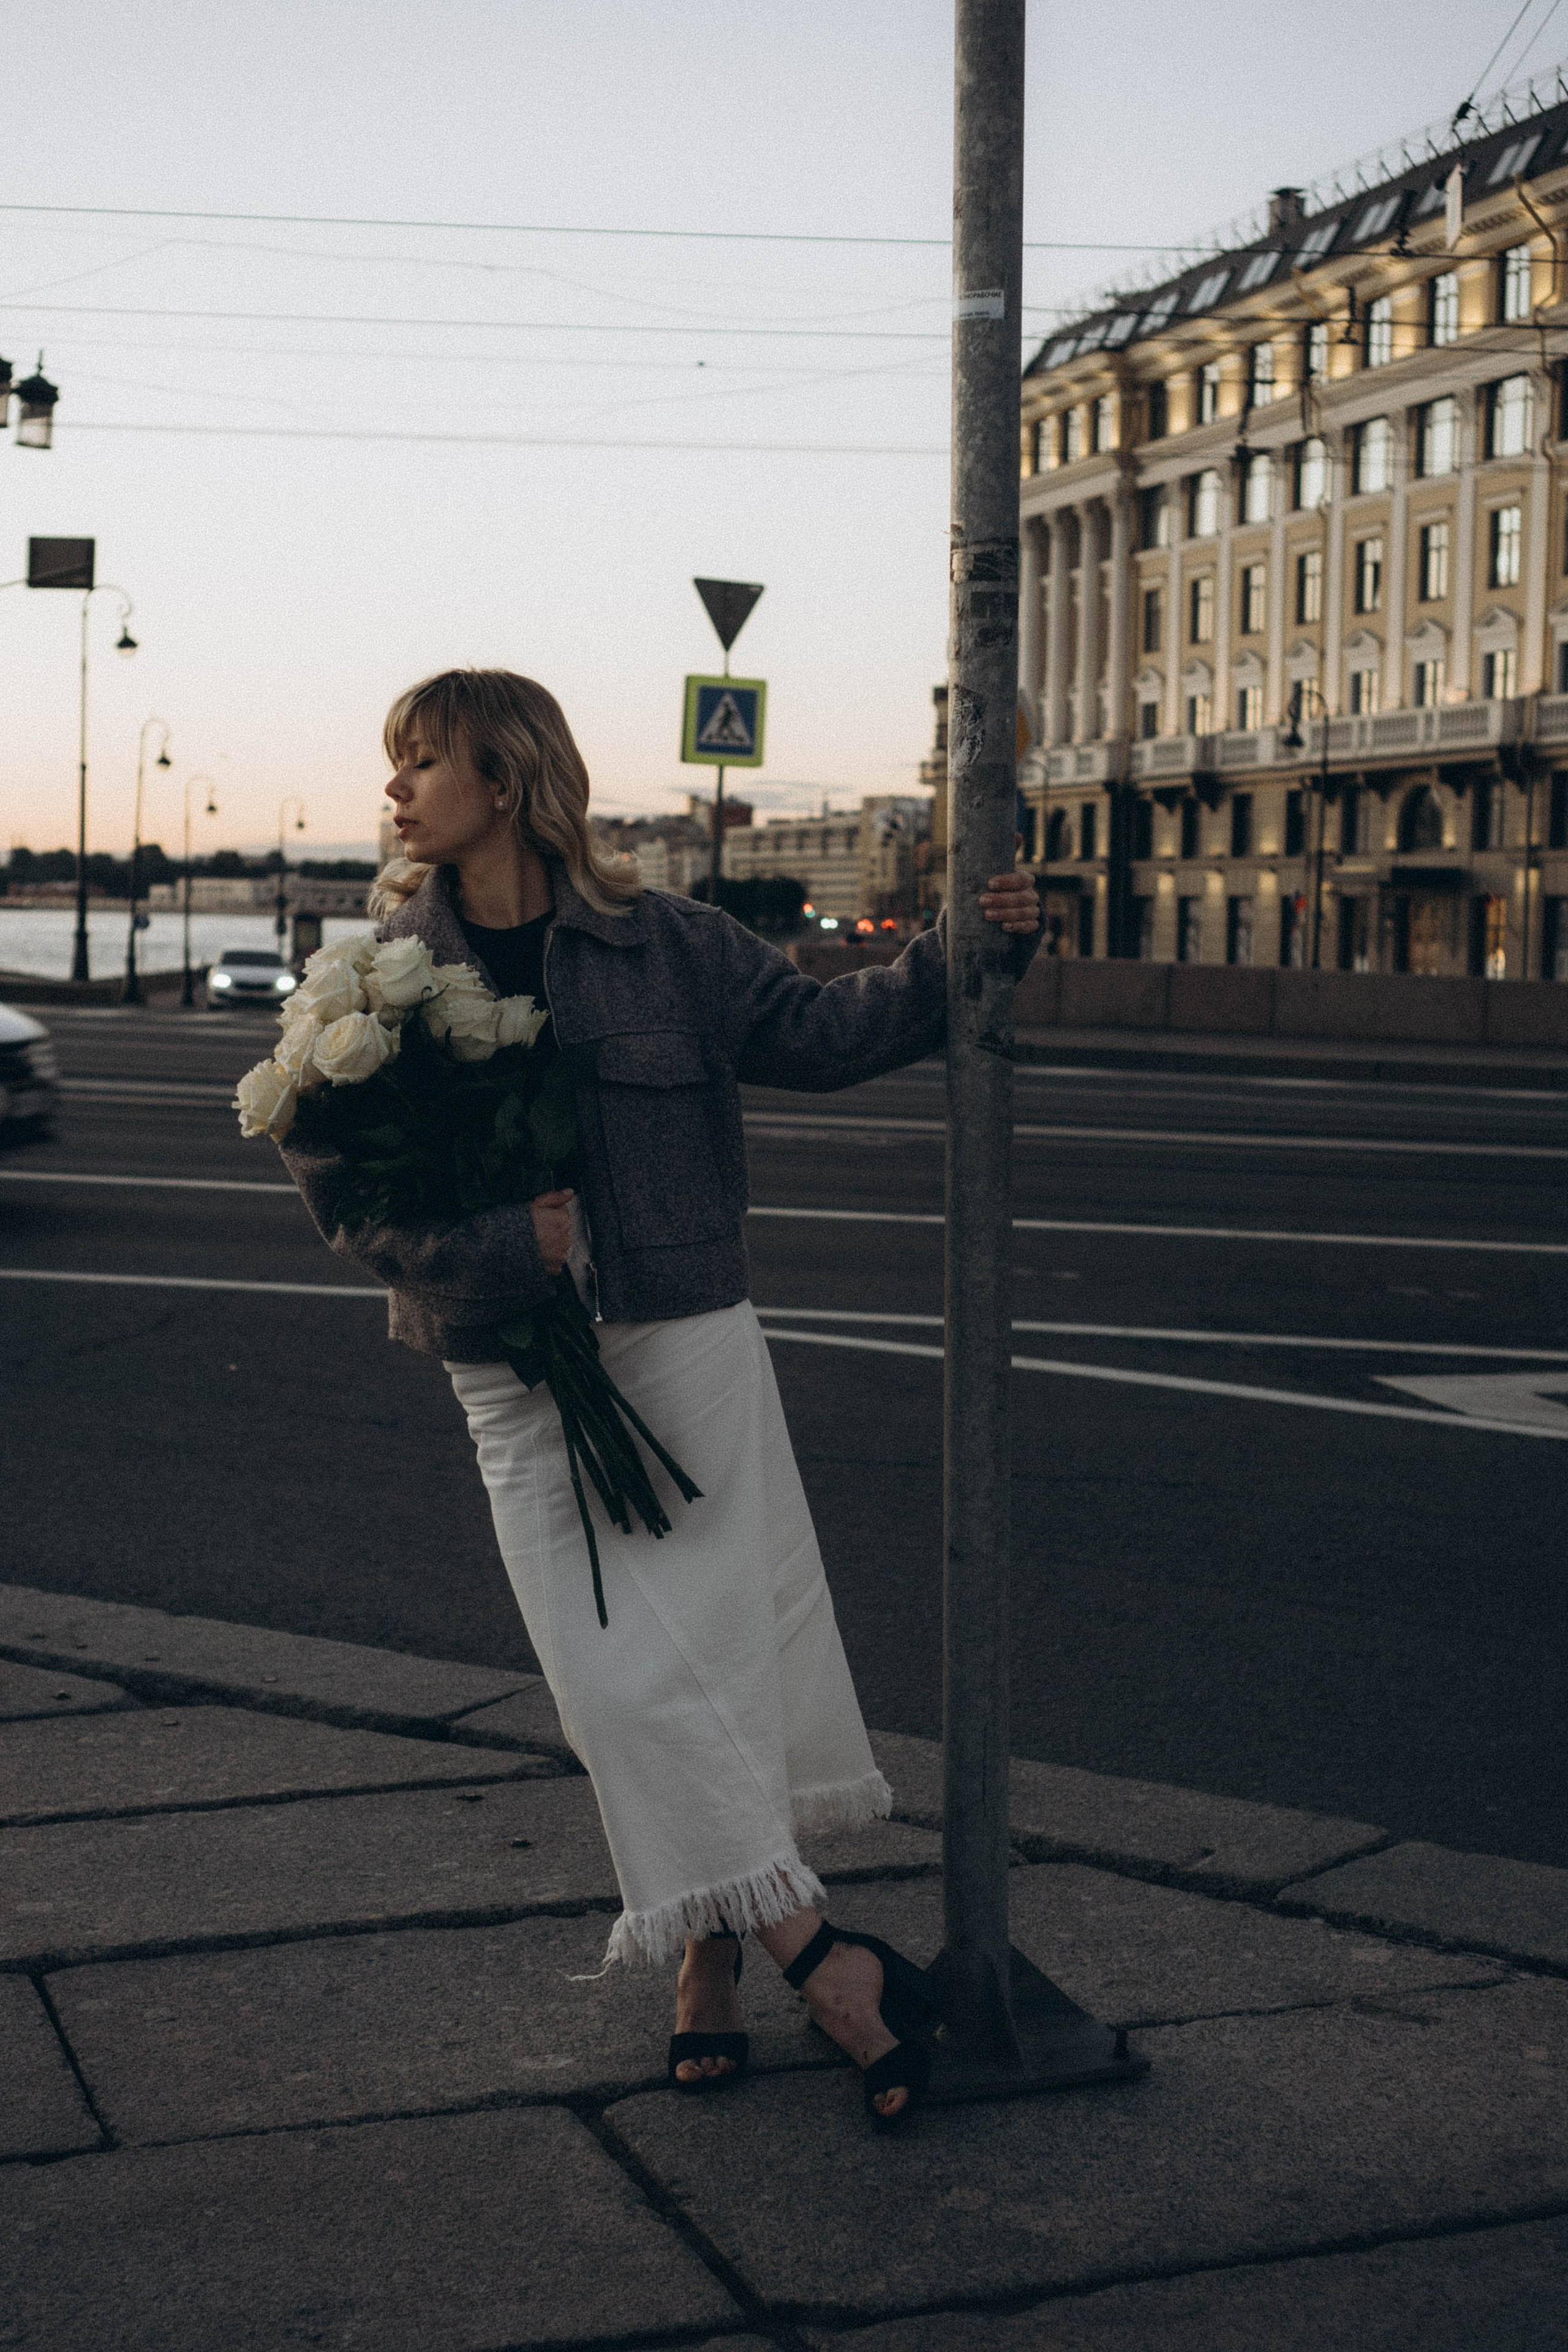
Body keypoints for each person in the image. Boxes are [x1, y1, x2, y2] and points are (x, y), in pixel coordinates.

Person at [280, 666, 1041, 2128]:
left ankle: (706, 1957)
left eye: (421, 760)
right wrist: (500, 1248)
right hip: (508, 1366)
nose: (395, 788)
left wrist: (972, 944)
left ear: (505, 780)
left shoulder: (667, 943)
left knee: (718, 1667)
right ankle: (824, 1959)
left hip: (682, 1339)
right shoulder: (370, 980)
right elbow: (348, 1198)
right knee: (612, 1689)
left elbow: (829, 1033)